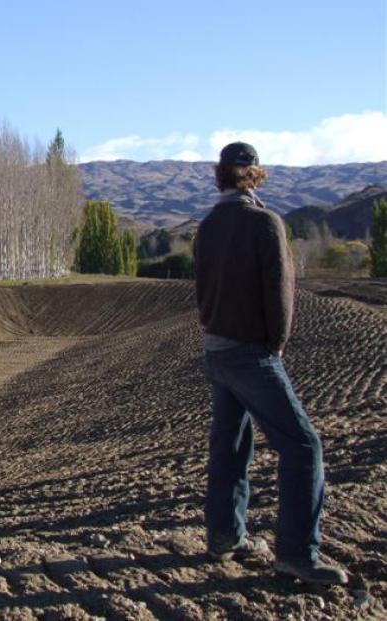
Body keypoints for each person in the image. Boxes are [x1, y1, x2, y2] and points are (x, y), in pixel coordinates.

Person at [193, 142, 348, 585]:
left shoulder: (207, 226)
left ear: (219, 175)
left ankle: (224, 538)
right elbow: (280, 294)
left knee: (230, 447)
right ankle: (298, 553)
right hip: (249, 352)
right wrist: (274, 347)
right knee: (303, 448)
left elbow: (201, 291)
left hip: (216, 350)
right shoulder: (264, 222)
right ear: (256, 176)